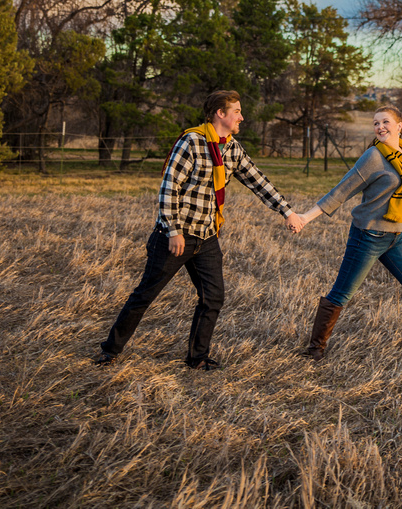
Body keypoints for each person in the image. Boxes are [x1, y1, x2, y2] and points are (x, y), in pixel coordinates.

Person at [94, 90, 304, 370]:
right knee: (145, 295)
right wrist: (173, 231)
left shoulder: (232, 148)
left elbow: (257, 181)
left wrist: (286, 211)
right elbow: (169, 188)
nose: (242, 117)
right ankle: (110, 350)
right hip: (175, 238)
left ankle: (197, 357)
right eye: (237, 111)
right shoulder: (191, 142)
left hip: (206, 237)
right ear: (221, 113)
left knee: (213, 296)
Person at [292, 105, 402, 361]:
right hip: (368, 236)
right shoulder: (374, 156)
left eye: (385, 122)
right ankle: (314, 350)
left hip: (395, 236)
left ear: (399, 125)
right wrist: (306, 217)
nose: (380, 127)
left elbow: (399, 194)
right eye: (375, 123)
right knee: (342, 293)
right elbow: (341, 191)